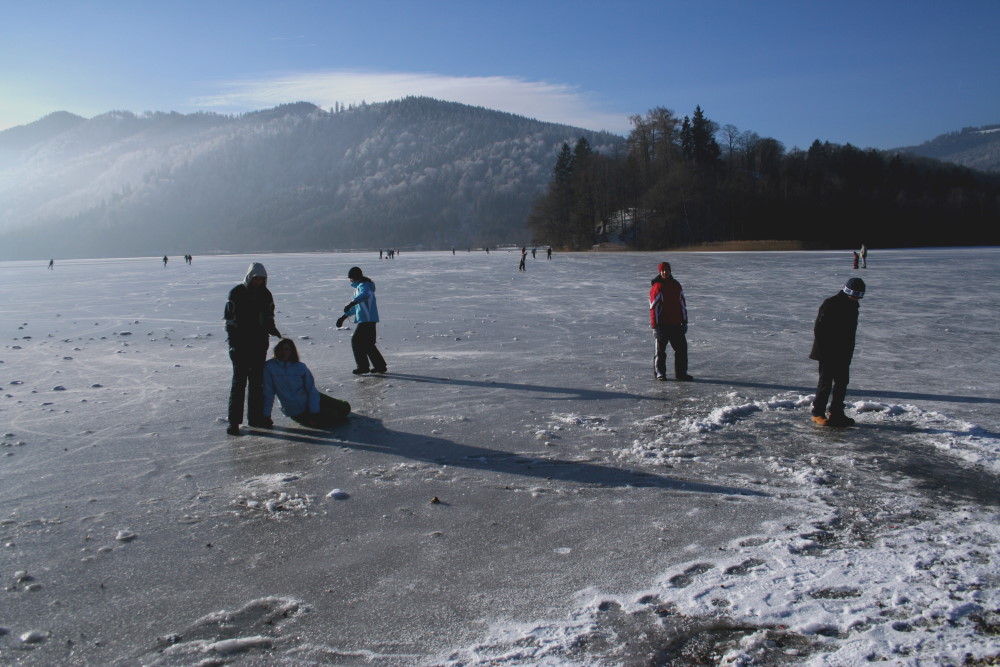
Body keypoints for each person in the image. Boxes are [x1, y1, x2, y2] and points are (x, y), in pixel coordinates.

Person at [224, 262, 282, 435]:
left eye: (261, 279)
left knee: (257, 384)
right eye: (256, 278)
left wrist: (272, 329)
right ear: (250, 277)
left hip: (258, 345)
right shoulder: (237, 293)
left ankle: (255, 418)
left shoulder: (266, 294)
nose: (258, 282)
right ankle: (234, 422)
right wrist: (233, 343)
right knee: (239, 384)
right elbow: (229, 320)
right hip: (240, 346)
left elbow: (269, 315)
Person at [809, 277, 866, 427]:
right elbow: (819, 330)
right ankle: (818, 413)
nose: (857, 298)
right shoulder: (831, 304)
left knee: (842, 383)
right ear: (848, 291)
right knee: (825, 383)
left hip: (844, 352)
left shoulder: (853, 305)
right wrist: (826, 351)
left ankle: (836, 413)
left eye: (860, 295)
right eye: (855, 294)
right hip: (828, 352)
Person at [263, 339, 350, 427]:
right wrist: (266, 416)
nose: (283, 352)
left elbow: (311, 390)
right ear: (276, 350)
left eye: (287, 349)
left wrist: (314, 413)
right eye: (280, 349)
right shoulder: (270, 367)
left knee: (345, 408)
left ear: (292, 351)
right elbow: (268, 393)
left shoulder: (300, 367)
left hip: (310, 399)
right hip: (296, 410)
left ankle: (322, 411)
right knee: (333, 415)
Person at [336, 266, 387, 375]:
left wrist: (351, 303)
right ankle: (380, 366)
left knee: (356, 341)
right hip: (367, 319)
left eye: (351, 277)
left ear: (356, 277)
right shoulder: (359, 288)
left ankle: (363, 367)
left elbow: (365, 295)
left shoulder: (365, 286)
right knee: (368, 344)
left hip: (367, 320)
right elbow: (356, 307)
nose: (350, 280)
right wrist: (343, 317)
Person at [649, 262, 693, 381]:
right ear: (660, 272)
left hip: (676, 325)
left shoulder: (676, 285)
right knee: (660, 351)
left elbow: (682, 304)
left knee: (682, 350)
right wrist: (655, 326)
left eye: (667, 270)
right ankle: (660, 374)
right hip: (662, 326)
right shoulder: (657, 287)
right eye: (663, 270)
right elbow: (654, 308)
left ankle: (681, 373)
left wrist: (684, 322)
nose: (665, 272)